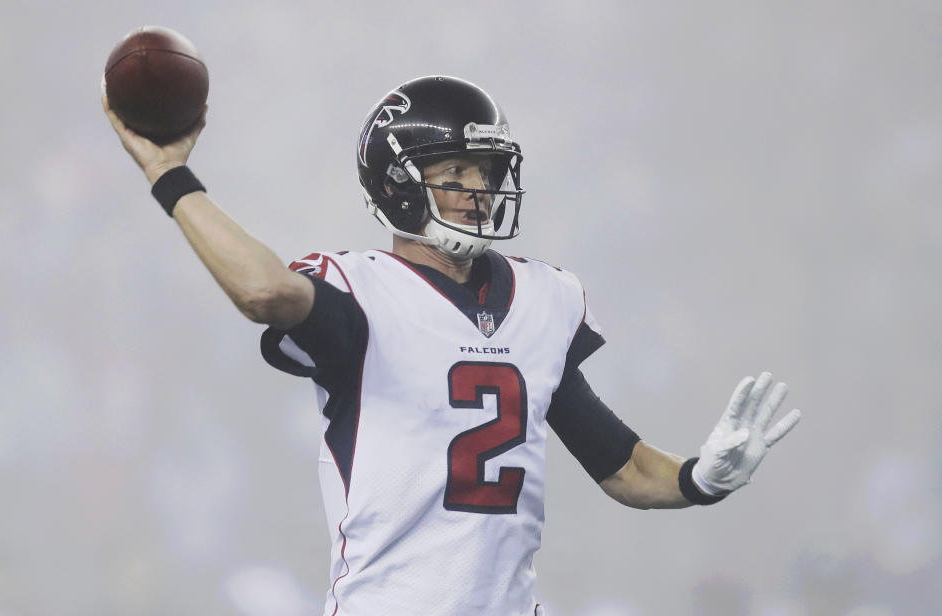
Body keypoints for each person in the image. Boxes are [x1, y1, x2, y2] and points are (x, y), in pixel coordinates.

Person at [103, 75, 802, 616]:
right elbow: (262, 291)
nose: (478, 191)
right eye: (457, 172)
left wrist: (698, 479)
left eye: (486, 173)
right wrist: (170, 176)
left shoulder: (544, 299)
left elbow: (619, 464)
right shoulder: (362, 295)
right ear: (397, 184)